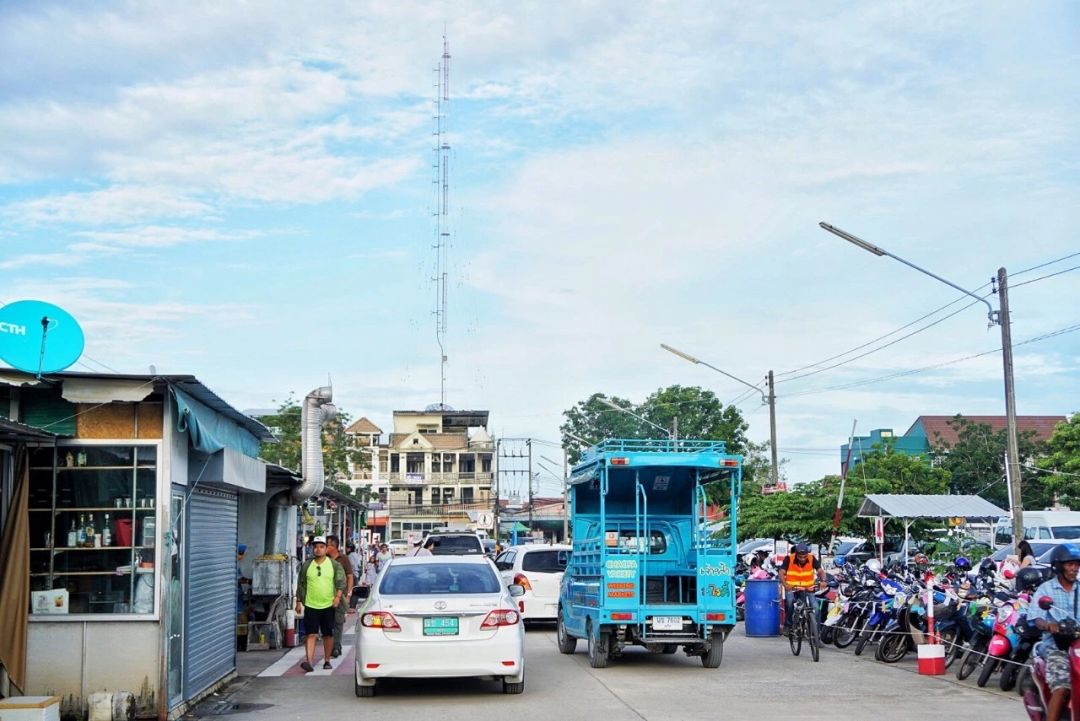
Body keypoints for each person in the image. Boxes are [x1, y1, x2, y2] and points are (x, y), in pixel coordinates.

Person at [1029, 543, 1080, 721]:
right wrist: (1049, 625)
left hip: (1079, 646)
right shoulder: (1046, 589)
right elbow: (1036, 617)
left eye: (1077, 564)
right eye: (1069, 564)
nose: (1074, 568)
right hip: (1056, 646)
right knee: (1062, 686)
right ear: (1058, 566)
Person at [294, 536, 345, 672]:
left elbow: (341, 582)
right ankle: (309, 662)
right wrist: (298, 601)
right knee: (311, 634)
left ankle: (327, 660)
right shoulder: (306, 565)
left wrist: (337, 598)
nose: (318, 549)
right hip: (311, 605)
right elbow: (301, 584)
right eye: (315, 546)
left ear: (326, 548)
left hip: (328, 605)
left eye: (321, 546)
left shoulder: (334, 565)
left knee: (328, 634)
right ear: (312, 548)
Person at [778, 543, 825, 636]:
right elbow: (781, 572)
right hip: (792, 587)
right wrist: (785, 584)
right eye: (800, 557)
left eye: (804, 556)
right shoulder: (789, 559)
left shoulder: (812, 558)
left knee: (816, 608)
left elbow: (820, 570)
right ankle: (788, 624)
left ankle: (816, 635)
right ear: (796, 554)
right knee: (790, 602)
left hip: (808, 588)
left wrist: (823, 580)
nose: (802, 559)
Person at [325, 534, 354, 658]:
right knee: (327, 623)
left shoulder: (344, 559)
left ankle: (336, 647)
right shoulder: (322, 559)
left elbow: (350, 576)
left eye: (327, 545)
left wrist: (348, 594)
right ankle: (330, 646)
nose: (325, 547)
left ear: (333, 546)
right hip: (324, 595)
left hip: (340, 595)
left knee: (338, 622)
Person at [347, 542, 364, 609]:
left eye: (347, 548)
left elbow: (352, 565)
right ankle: (353, 605)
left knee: (353, 590)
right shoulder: (356, 554)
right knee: (355, 589)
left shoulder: (350, 555)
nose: (346, 549)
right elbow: (359, 564)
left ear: (350, 548)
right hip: (357, 574)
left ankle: (352, 606)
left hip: (353, 574)